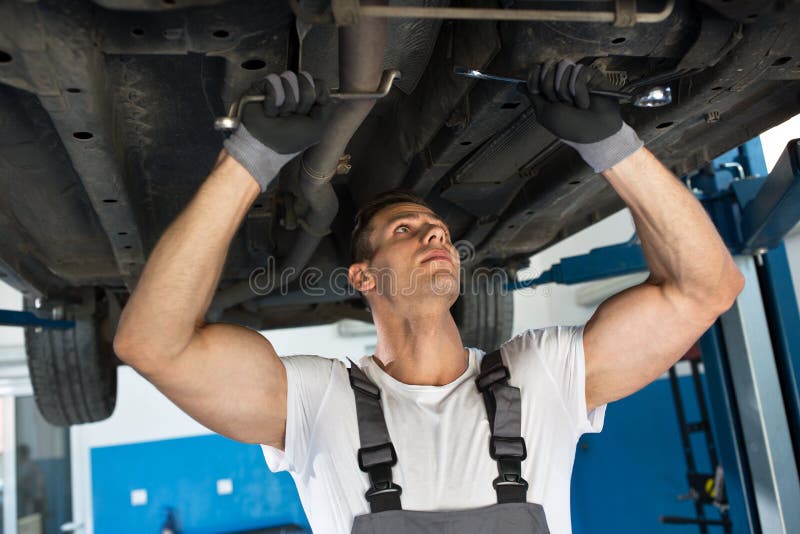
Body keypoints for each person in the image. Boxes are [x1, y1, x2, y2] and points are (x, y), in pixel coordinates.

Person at [113, 61, 744, 533]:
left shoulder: (546, 375)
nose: (434, 232)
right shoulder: (316, 402)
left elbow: (709, 288)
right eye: (405, 230)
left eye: (437, 229)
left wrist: (613, 147)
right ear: (363, 277)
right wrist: (249, 160)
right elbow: (152, 345)